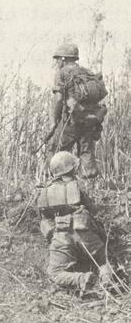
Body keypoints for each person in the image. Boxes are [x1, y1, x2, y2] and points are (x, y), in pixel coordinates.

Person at [37, 151, 114, 295]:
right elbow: (92, 210)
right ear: (71, 169)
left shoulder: (44, 192)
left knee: (55, 273)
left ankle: (82, 279)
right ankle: (107, 283)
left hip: (61, 234)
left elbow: (44, 221)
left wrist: (53, 237)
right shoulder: (77, 186)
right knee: (104, 261)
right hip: (84, 231)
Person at [50, 43, 107, 178]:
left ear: (63, 59)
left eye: (57, 59)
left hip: (71, 120)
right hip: (90, 120)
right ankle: (88, 185)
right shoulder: (87, 72)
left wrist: (54, 121)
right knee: (86, 153)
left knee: (57, 151)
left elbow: (58, 99)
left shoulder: (62, 73)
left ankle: (53, 184)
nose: (56, 62)